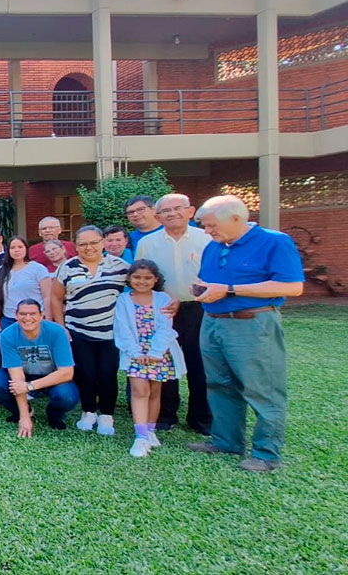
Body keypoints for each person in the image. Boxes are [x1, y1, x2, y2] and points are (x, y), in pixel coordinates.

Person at [187, 195, 304, 473]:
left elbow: (292, 287)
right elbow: (214, 282)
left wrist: (229, 290)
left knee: (262, 389)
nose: (207, 231)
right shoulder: (214, 246)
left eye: (211, 225)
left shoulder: (275, 241)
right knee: (218, 384)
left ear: (236, 218)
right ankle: (226, 441)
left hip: (253, 323)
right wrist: (204, 289)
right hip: (213, 321)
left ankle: (266, 453)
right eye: (204, 226)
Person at [136, 193, 213, 434]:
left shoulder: (208, 238)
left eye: (177, 208)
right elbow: (141, 276)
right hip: (163, 309)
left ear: (190, 211)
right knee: (165, 361)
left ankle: (201, 417)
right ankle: (166, 414)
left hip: (200, 308)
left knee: (199, 363)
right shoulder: (148, 243)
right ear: (157, 216)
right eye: (166, 211)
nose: (172, 214)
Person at [50, 225, 130, 436]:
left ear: (102, 242)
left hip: (110, 333)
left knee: (107, 374)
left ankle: (107, 415)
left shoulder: (120, 267)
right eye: (83, 244)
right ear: (75, 246)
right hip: (79, 331)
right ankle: (88, 412)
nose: (89, 248)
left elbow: (137, 291)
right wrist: (61, 327)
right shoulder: (67, 268)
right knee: (86, 373)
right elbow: (56, 298)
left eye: (94, 243)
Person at [115, 260, 187, 458]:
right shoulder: (124, 299)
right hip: (135, 353)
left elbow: (166, 327)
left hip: (159, 353)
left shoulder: (163, 299)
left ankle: (151, 430)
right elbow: (122, 329)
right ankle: (140, 436)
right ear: (129, 278)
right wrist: (136, 352)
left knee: (155, 391)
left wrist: (155, 352)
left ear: (155, 279)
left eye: (147, 278)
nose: (142, 281)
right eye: (137, 277)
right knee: (139, 390)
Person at [0, 300, 80, 437]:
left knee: (67, 396)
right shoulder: (8, 335)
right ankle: (22, 410)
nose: (28, 318)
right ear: (16, 315)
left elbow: (67, 373)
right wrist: (24, 417)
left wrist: (29, 386)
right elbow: (17, 378)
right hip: (23, 374)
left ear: (42, 315)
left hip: (51, 376)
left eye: (33, 313)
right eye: (23, 314)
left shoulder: (57, 332)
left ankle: (54, 414)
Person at [0, 236, 52, 331]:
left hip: (33, 319)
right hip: (9, 319)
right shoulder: (1, 270)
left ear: (26, 249)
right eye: (12, 248)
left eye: (20, 247)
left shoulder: (38, 269)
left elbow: (47, 296)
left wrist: (48, 320)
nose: (16, 250)